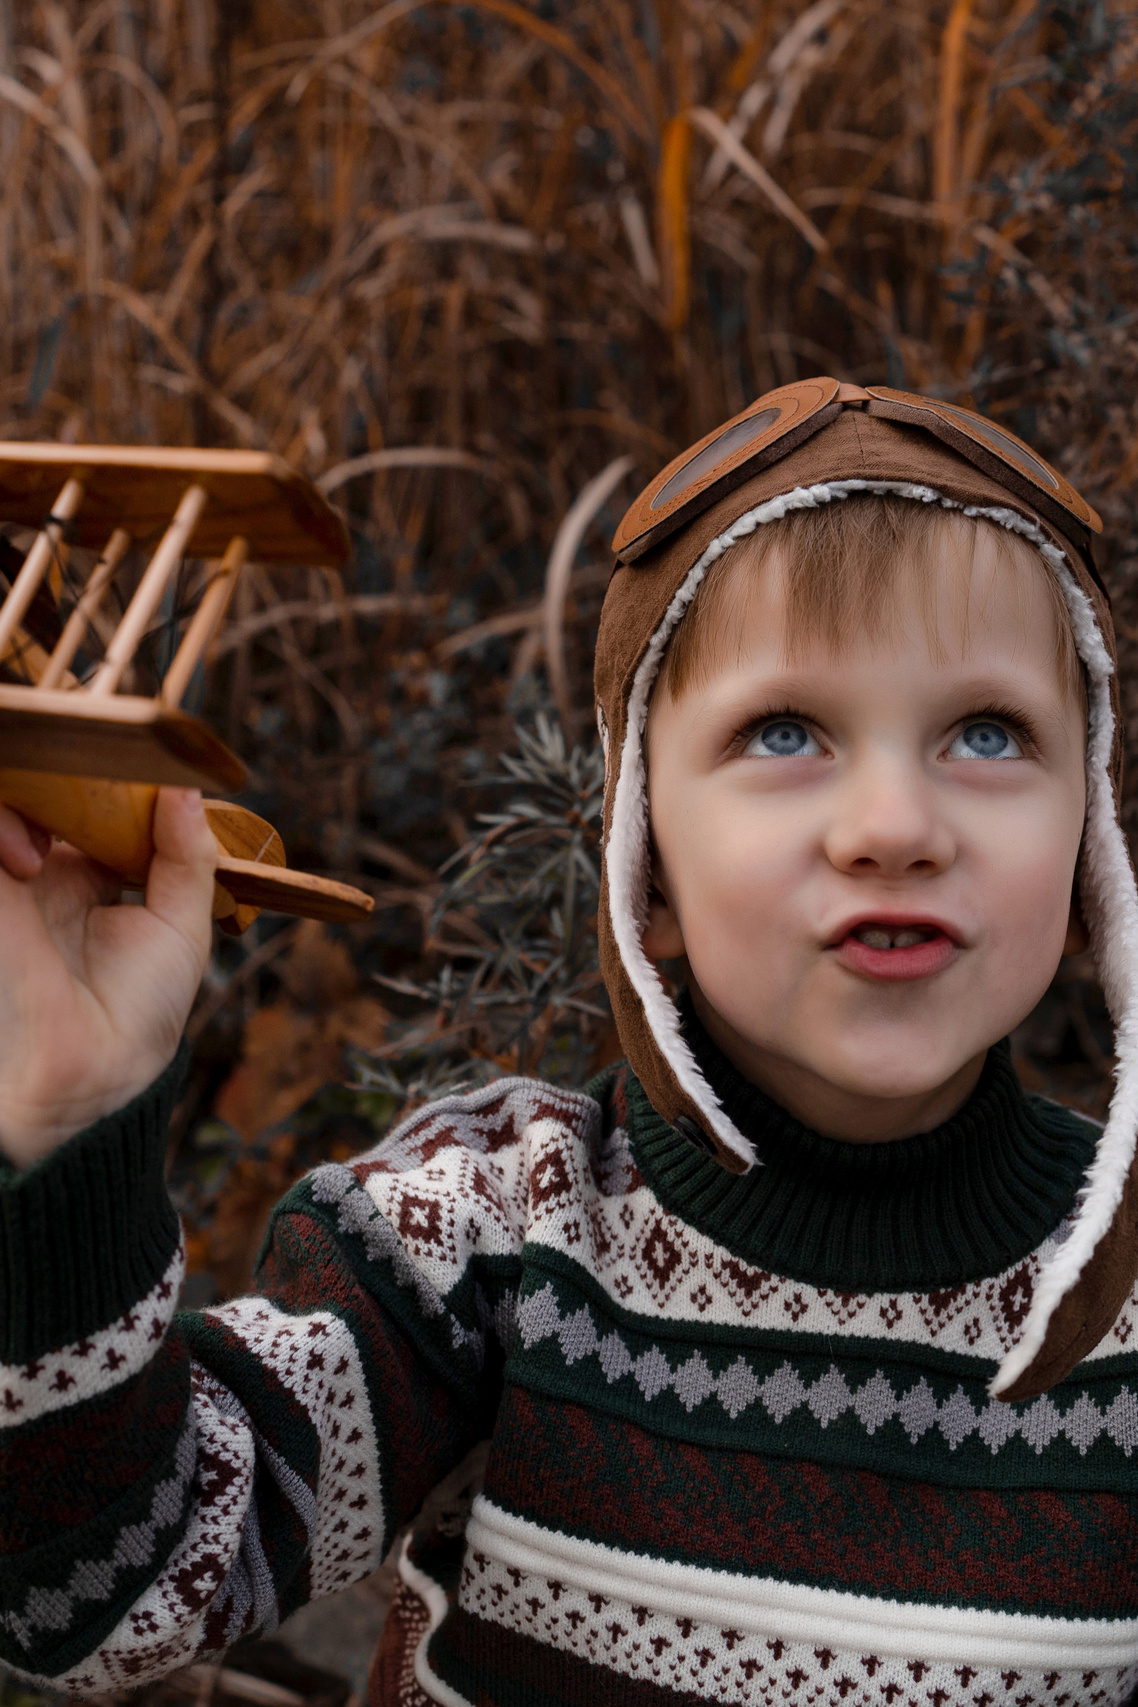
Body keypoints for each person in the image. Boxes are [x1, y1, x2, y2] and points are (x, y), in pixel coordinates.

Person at [4, 378, 1138, 1707]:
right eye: (785, 732)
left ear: (1088, 857)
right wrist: (73, 1116)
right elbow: (99, 1604)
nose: (891, 824)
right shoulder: (491, 1237)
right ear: (641, 864)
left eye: (986, 733)